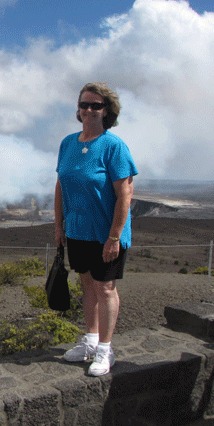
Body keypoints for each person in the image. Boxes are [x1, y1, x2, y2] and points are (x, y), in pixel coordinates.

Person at [55, 82, 137, 376]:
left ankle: (105, 350)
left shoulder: (114, 146)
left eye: (96, 105)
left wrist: (114, 236)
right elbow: (61, 185)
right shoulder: (68, 143)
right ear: (78, 109)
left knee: (105, 288)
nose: (89, 110)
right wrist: (59, 224)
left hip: (106, 235)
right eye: (84, 105)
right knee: (87, 284)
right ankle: (90, 342)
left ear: (107, 111)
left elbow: (125, 194)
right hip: (78, 231)